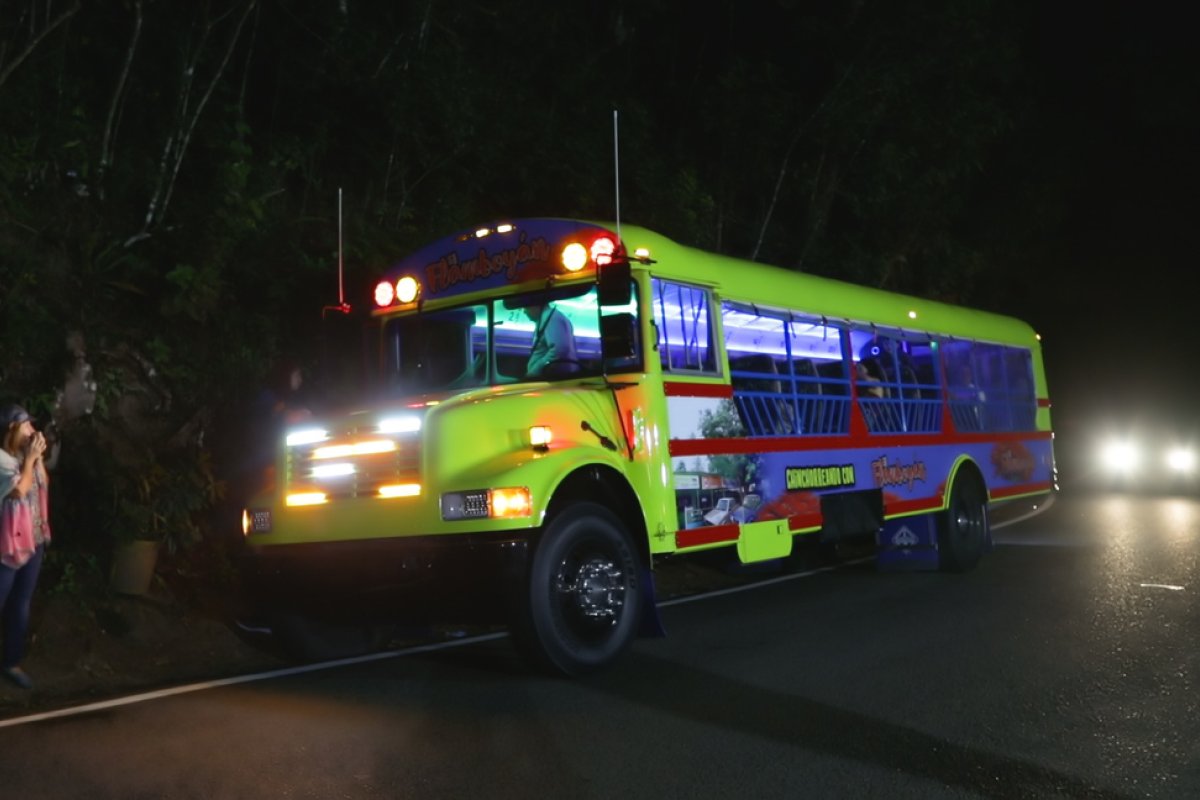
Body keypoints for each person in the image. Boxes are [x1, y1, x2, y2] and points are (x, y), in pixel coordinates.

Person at [0, 404, 51, 690]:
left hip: (33, 540)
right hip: (6, 545)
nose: (32, 430)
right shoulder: (2, 460)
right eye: (26, 425)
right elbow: (18, 490)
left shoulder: (25, 455)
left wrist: (37, 458)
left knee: (21, 603)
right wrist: (30, 460)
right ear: (11, 429)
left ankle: (11, 662)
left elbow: (43, 483)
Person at [524, 301, 579, 377]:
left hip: (554, 377)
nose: (524, 312)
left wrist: (535, 371)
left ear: (536, 306)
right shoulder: (550, 317)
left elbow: (559, 349)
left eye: (526, 308)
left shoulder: (551, 318)